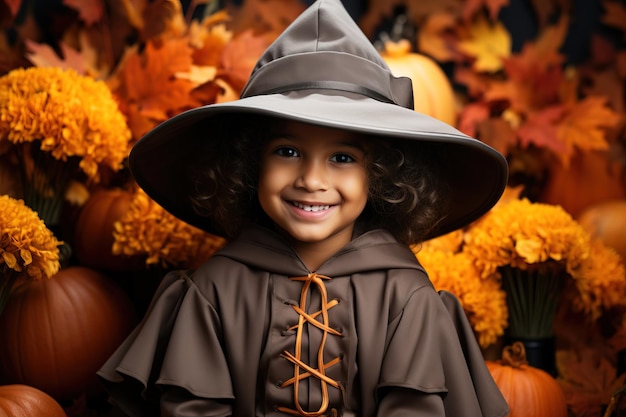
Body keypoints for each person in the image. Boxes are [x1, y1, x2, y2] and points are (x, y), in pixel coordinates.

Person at [97, 0, 510, 416]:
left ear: (382, 176)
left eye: (342, 158)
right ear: (250, 164)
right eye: (288, 151)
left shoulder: (407, 297)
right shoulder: (214, 291)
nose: (311, 181)